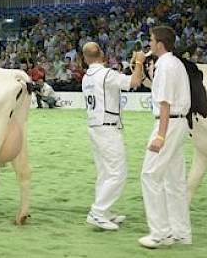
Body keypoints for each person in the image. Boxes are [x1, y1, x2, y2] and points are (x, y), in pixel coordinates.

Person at [81, 42, 144, 231]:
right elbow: (134, 82)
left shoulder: (87, 76)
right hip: (107, 127)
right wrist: (139, 62)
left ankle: (103, 210)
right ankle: (98, 212)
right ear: (101, 54)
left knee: (105, 172)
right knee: (117, 172)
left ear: (85, 58)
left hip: (94, 126)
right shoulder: (106, 74)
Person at [139, 25, 192, 249]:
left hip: (168, 123)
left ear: (159, 43)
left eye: (151, 40)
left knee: (150, 175)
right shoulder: (174, 63)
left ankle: (160, 233)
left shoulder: (166, 65)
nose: (149, 43)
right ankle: (180, 232)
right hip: (177, 122)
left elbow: (164, 103)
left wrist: (160, 135)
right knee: (174, 181)